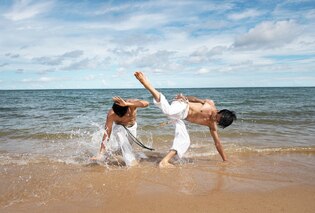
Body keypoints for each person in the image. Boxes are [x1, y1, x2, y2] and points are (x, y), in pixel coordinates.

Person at [134, 71, 236, 168]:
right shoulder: (210, 104)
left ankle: (164, 161)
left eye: (217, 120)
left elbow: (217, 143)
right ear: (220, 111)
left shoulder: (211, 125)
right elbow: (195, 99)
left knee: (185, 141)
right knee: (169, 110)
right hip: (182, 105)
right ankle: (146, 83)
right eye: (216, 115)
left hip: (180, 117)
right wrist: (185, 97)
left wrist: (225, 160)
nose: (214, 118)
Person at [91, 96, 149, 166]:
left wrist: (128, 104)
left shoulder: (131, 104)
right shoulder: (111, 114)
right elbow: (107, 132)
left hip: (132, 128)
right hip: (119, 128)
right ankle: (131, 162)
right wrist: (100, 153)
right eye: (118, 115)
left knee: (124, 148)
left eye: (123, 114)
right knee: (121, 136)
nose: (121, 117)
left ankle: (110, 155)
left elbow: (146, 103)